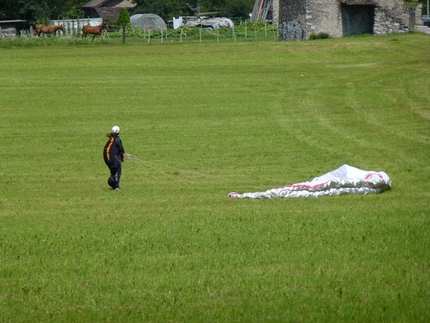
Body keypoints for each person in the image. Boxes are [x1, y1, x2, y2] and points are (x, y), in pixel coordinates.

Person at [103, 126, 125, 190]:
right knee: (117, 172)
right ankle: (115, 186)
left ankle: (112, 182)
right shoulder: (117, 140)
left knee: (113, 171)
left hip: (109, 160)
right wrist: (123, 154)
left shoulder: (110, 140)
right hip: (115, 160)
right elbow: (121, 149)